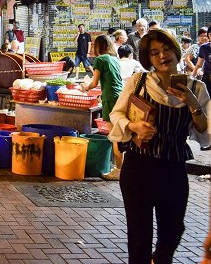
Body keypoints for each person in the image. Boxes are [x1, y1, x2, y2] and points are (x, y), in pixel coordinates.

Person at [109, 29, 210, 264]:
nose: (162, 56)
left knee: (173, 229)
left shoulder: (196, 88)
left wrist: (192, 103)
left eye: (166, 49)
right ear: (149, 59)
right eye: (154, 53)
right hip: (138, 166)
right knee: (139, 235)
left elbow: (205, 131)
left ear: (176, 50)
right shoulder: (140, 82)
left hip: (173, 167)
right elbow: (116, 114)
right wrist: (133, 126)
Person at [81, 35, 123, 179]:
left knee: (115, 136)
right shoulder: (114, 60)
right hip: (120, 97)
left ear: (99, 46)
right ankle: (120, 167)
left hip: (110, 99)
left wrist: (84, 88)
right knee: (121, 133)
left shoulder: (100, 59)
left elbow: (94, 83)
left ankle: (118, 169)